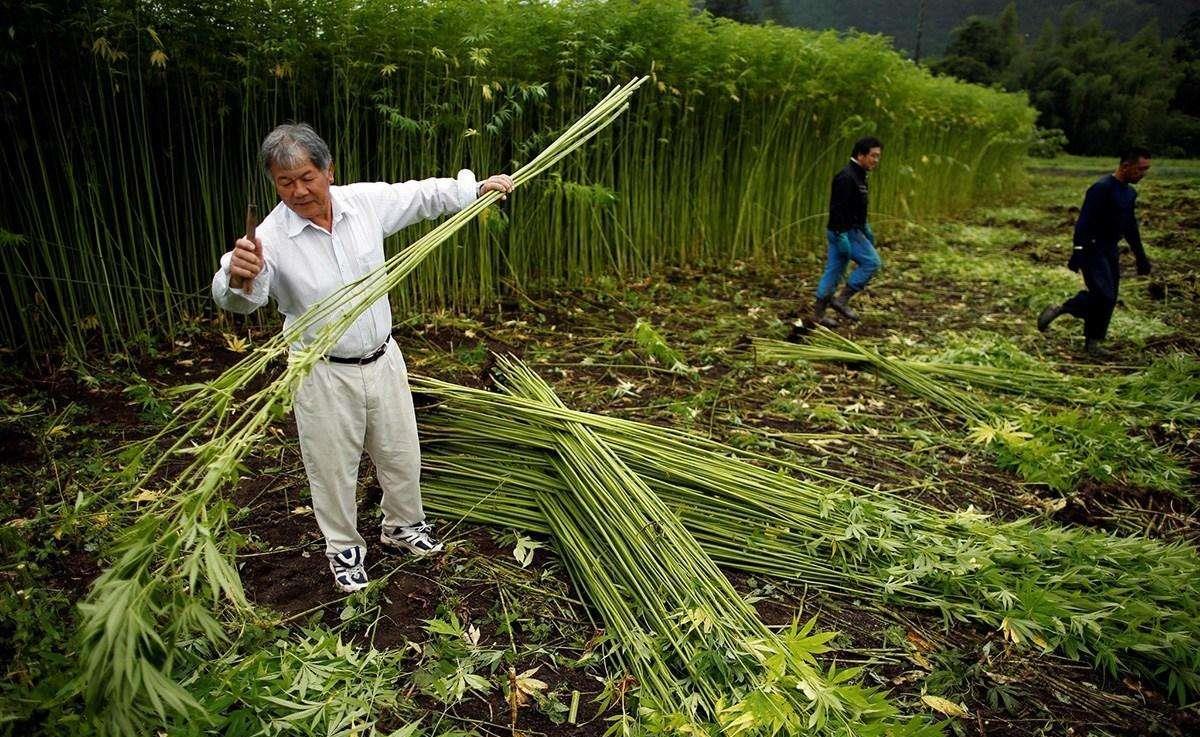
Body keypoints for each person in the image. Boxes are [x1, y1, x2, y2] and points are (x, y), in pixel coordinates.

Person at [212, 123, 514, 592]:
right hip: (322, 371)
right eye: (284, 182)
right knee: (332, 467)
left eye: (306, 177)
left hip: (383, 357)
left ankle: (403, 528)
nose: (298, 191)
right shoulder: (269, 237)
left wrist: (473, 190)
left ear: (329, 171)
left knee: (400, 453)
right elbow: (243, 297)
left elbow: (420, 196)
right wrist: (236, 275)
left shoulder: (362, 204)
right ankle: (344, 549)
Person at [1037, 147, 1153, 356]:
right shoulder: (1101, 188)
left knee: (1109, 296)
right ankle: (1062, 308)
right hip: (1092, 247)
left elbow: (1130, 227)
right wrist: (1078, 252)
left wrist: (1140, 257)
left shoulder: (1129, 193)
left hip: (1110, 249)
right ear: (1126, 166)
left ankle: (1093, 343)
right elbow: (1083, 223)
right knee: (1104, 295)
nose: (1143, 174)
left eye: (1146, 169)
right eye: (1141, 169)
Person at [812, 136, 883, 328]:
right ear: (860, 155)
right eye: (873, 156)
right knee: (872, 263)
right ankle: (841, 301)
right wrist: (841, 234)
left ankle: (818, 315)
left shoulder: (860, 175)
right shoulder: (846, 177)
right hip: (843, 231)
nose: (876, 160)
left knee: (834, 271)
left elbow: (857, 207)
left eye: (878, 157)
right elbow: (837, 208)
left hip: (849, 230)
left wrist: (865, 226)